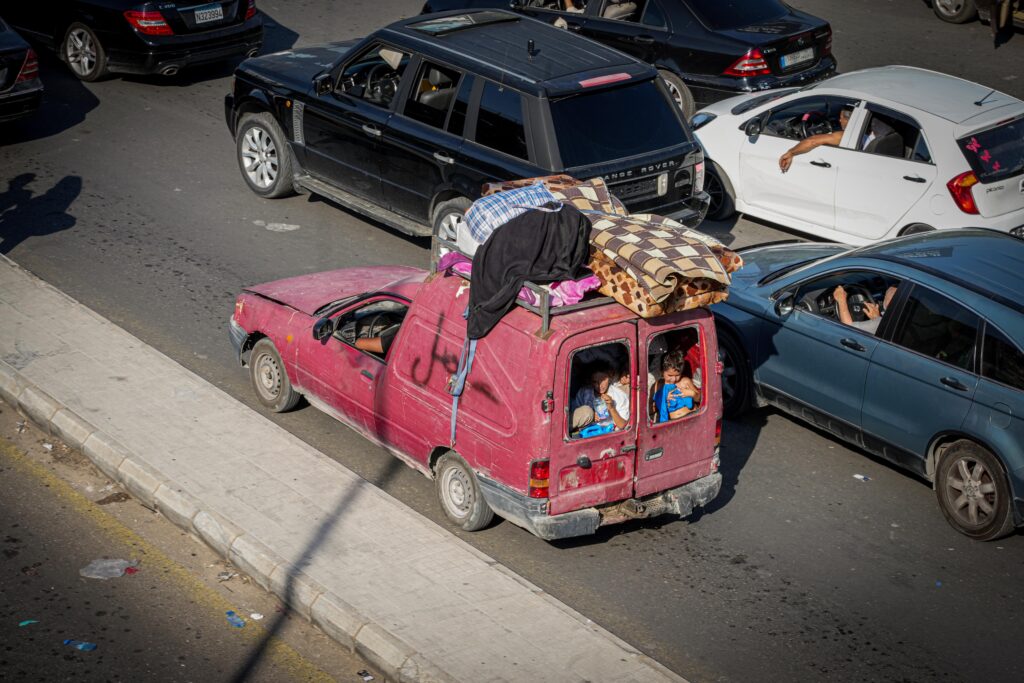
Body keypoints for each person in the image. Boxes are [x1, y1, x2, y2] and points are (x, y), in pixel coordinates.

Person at [779, 106, 852, 173]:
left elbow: (812, 141)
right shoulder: (860, 133)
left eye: (841, 117)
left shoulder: (845, 136)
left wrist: (790, 153)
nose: (839, 120)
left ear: (850, 119)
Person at [571, 368, 630, 433]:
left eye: (602, 380)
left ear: (609, 377)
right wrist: (591, 416)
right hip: (586, 432)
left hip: (608, 433)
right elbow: (575, 416)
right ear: (590, 381)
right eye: (595, 382)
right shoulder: (584, 393)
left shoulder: (620, 396)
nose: (599, 385)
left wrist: (612, 408)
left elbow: (623, 425)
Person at [650, 351, 699, 423]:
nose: (673, 379)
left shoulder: (685, 381)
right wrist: (664, 398)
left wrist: (692, 394)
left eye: (677, 375)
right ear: (662, 372)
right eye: (670, 375)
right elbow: (651, 409)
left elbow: (699, 399)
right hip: (674, 423)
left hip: (691, 416)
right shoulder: (658, 386)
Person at [833, 285, 898, 335]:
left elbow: (849, 328)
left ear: (889, 302)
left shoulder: (880, 323)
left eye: (885, 296)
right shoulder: (899, 319)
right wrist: (876, 317)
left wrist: (841, 300)